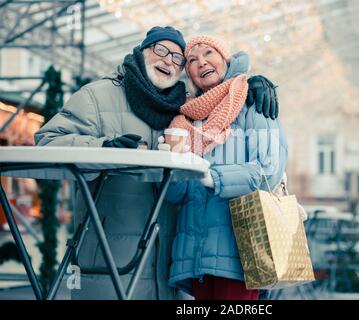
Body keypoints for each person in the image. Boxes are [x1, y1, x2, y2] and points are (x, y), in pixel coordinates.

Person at [34, 26, 280, 299]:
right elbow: (48, 141)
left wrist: (255, 82)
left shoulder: (182, 111)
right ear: (141, 53)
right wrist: (103, 147)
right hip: (110, 259)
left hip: (168, 265)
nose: (169, 60)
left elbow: (265, 167)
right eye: (161, 50)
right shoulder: (98, 95)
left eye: (177, 57)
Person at [161, 36, 288, 300]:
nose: (201, 62)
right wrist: (170, 168)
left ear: (225, 59)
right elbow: (177, 196)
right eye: (192, 60)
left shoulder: (252, 101)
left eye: (209, 53)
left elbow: (269, 169)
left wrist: (213, 177)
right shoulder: (186, 119)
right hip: (194, 254)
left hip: (241, 250)